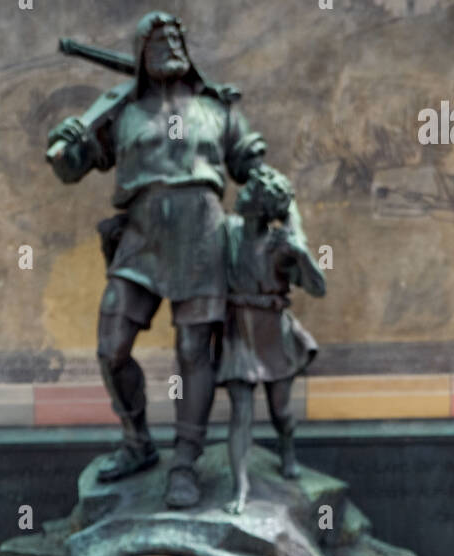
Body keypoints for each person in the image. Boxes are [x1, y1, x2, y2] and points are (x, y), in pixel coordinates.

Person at [47, 11, 266, 508]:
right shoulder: (121, 111)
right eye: (158, 37)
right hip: (141, 236)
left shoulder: (217, 109)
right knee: (112, 345)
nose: (169, 43)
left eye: (176, 36)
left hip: (203, 236)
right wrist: (64, 148)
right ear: (142, 52)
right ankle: (138, 442)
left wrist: (273, 213)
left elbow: (253, 168)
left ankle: (185, 462)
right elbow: (72, 166)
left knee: (193, 350)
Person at [217, 165, 326, 514]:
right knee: (241, 413)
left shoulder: (279, 244)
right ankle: (241, 487)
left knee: (281, 411)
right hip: (238, 331)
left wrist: (302, 252)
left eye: (249, 192)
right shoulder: (228, 230)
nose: (240, 193)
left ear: (262, 206)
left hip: (272, 333)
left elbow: (318, 288)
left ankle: (287, 447)